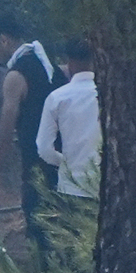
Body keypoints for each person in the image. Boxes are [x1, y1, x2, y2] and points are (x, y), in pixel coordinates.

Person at [0, 11, 61, 243]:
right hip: (67, 165)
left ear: (4, 40)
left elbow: (5, 133)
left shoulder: (16, 76)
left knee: (41, 240)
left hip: (36, 168)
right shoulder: (50, 67)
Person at [38, 38, 102, 203]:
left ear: (70, 62)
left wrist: (66, 164)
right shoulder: (111, 95)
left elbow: (44, 148)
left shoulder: (57, 98)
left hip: (72, 186)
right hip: (108, 184)